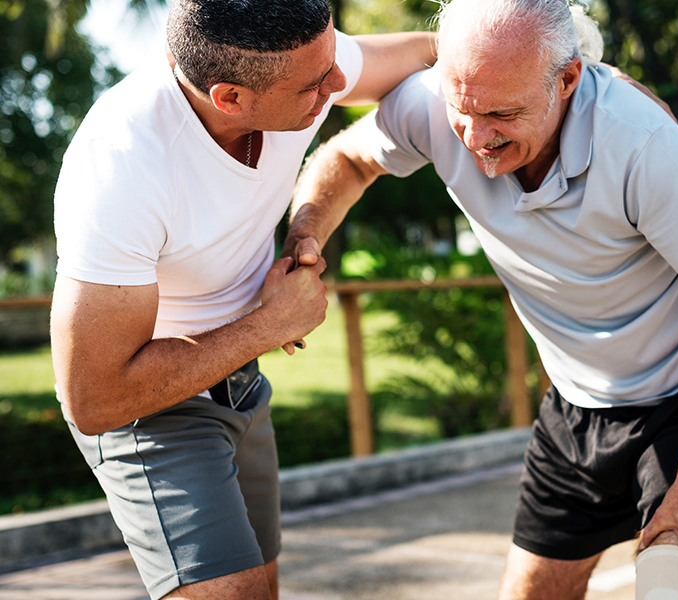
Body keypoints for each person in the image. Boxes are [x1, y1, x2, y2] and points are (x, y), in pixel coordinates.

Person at [282, 1, 678, 599]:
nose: (476, 138)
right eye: (462, 109)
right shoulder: (433, 102)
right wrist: (306, 234)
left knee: (670, 587)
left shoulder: (638, 141)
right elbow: (348, 156)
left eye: (502, 113)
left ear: (568, 80)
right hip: (576, 404)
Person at [49, 1, 436, 599]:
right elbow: (93, 397)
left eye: (334, 62)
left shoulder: (300, 61)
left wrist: (585, 71)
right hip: (149, 405)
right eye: (316, 85)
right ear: (229, 97)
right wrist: (268, 325)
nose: (339, 86)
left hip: (242, 384)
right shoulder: (122, 162)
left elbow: (435, 52)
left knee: (263, 589)